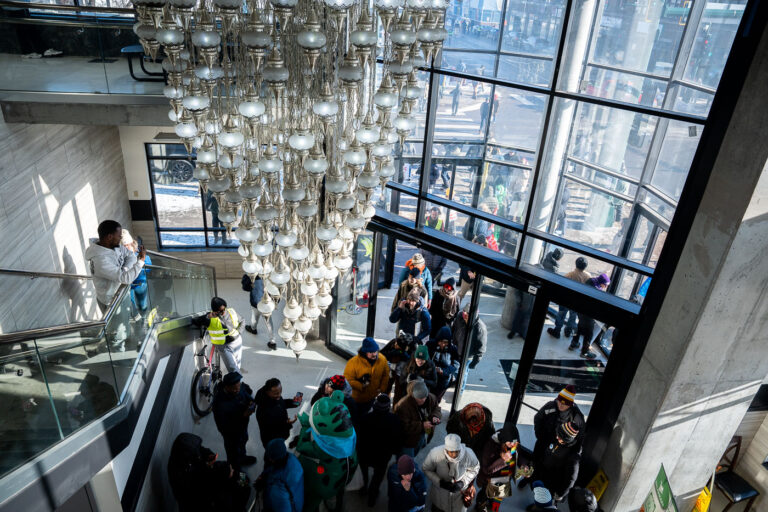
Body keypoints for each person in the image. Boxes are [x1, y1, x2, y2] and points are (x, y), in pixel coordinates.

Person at [168, 433, 251, 512]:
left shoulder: (186, 451)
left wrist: (208, 455)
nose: (233, 470)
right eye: (231, 470)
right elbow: (245, 484)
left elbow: (201, 450)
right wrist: (236, 476)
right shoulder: (183, 477)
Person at [85, 220, 147, 313]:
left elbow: (131, 256)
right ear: (110, 237)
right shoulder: (101, 261)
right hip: (111, 302)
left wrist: (124, 270)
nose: (120, 238)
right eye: (119, 236)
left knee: (130, 315)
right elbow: (126, 278)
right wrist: (141, 261)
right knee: (122, 322)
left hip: (120, 292)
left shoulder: (112, 246)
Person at [357, 394, 405, 506]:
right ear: (388, 407)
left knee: (364, 472)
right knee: (378, 476)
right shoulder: (394, 420)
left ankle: (364, 487)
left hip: (364, 453)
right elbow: (398, 439)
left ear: (374, 405)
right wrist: (395, 451)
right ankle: (372, 497)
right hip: (382, 456)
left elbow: (358, 436)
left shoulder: (365, 418)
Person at [476, 423, 529, 512]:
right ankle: (481, 505)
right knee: (485, 494)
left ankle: (493, 505)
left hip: (504, 478)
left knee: (498, 496)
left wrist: (523, 465)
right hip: (490, 480)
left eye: (515, 443)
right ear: (503, 440)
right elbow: (487, 469)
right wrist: (503, 460)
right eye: (510, 443)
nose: (513, 445)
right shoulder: (490, 446)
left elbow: (518, 456)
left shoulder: (513, 443)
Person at [422, 433, 480, 512]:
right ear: (446, 449)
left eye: (457, 451)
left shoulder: (468, 454)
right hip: (440, 497)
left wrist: (463, 482)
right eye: (451, 452)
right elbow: (426, 469)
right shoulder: (435, 453)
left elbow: (475, 468)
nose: (454, 455)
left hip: (458, 499)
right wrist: (439, 482)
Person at [212, 371, 257, 469]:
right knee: (233, 453)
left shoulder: (241, 388)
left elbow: (249, 396)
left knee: (243, 442)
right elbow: (223, 426)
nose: (238, 390)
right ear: (226, 387)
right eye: (234, 388)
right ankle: (235, 471)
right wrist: (243, 415)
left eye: (239, 386)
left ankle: (242, 458)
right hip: (231, 435)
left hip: (243, 427)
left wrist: (252, 404)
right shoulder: (219, 404)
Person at [530, 422, 581, 503]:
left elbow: (571, 479)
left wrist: (560, 494)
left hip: (552, 483)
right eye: (558, 434)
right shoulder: (556, 438)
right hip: (543, 474)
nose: (557, 437)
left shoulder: (573, 457)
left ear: (567, 439)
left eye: (560, 437)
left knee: (543, 500)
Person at [194, 297, 244, 373]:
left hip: (236, 341)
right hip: (223, 346)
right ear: (215, 311)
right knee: (233, 369)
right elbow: (196, 321)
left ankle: (237, 379)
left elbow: (242, 321)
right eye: (220, 311)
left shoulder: (231, 312)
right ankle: (238, 380)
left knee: (237, 366)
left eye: (224, 309)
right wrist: (207, 316)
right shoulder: (210, 319)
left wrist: (239, 332)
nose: (223, 312)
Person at [533, 386, 586, 453]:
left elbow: (581, 435)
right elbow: (538, 418)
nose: (560, 405)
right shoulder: (550, 406)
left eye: (564, 404)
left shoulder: (576, 416)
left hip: (562, 449)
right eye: (559, 401)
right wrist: (540, 435)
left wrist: (568, 445)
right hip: (544, 441)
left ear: (569, 405)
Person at [547, 257, 591, 339]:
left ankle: (557, 331)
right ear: (585, 266)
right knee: (573, 316)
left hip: (566, 299)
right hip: (577, 301)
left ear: (576, 264)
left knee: (561, 314)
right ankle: (568, 331)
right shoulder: (588, 276)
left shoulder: (569, 275)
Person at [394, 380, 441, 457]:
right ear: (413, 396)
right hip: (408, 440)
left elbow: (436, 408)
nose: (424, 399)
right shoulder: (402, 406)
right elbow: (403, 426)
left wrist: (435, 416)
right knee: (407, 460)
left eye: (425, 396)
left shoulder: (431, 397)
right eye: (420, 398)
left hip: (421, 434)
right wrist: (422, 425)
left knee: (416, 450)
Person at [257, 438, 304, 512]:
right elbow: (272, 468)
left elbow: (283, 507)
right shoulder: (290, 458)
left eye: (271, 458)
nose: (270, 460)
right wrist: (264, 475)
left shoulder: (278, 490)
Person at [569, 273, 610, 359]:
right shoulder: (597, 290)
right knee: (589, 334)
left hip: (580, 310)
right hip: (588, 314)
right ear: (601, 282)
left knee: (579, 327)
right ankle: (584, 352)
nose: (606, 287)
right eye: (605, 284)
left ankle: (574, 344)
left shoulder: (590, 281)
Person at [343, 337, 390, 412]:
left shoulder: (382, 359)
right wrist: (361, 385)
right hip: (357, 399)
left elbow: (385, 375)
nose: (374, 354)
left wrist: (382, 388)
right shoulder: (353, 362)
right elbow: (347, 380)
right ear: (364, 352)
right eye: (371, 352)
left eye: (375, 351)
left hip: (372, 397)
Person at [254, 377, 302, 449]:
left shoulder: (273, 397)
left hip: (281, 435)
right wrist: (287, 423)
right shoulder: (263, 411)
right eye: (276, 393)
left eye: (280, 391)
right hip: (273, 441)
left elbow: (280, 403)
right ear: (267, 392)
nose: (279, 395)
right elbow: (273, 429)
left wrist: (293, 403)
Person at [120, 229, 151, 319]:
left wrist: (139, 264)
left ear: (132, 244)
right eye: (123, 246)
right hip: (127, 282)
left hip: (139, 283)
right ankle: (136, 316)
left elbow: (148, 268)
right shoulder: (120, 255)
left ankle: (143, 316)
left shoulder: (142, 256)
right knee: (130, 302)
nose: (126, 248)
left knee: (142, 304)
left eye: (127, 245)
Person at [242, 273, 276, 350]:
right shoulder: (269, 274)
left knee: (254, 317)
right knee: (268, 322)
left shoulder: (250, 274)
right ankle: (272, 341)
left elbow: (245, 287)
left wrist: (248, 279)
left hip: (256, 302)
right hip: (266, 303)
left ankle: (253, 329)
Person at [427, 326, 461, 402]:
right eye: (440, 342)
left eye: (445, 342)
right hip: (430, 377)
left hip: (443, 380)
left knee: (436, 400)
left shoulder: (453, 349)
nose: (442, 344)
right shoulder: (430, 345)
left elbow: (456, 365)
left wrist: (443, 371)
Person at [452, 304, 487, 369]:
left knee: (462, 373)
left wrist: (473, 364)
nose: (465, 314)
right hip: (457, 350)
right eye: (464, 311)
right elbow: (454, 328)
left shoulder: (480, 328)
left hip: (467, 357)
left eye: (467, 313)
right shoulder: (460, 316)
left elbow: (481, 350)